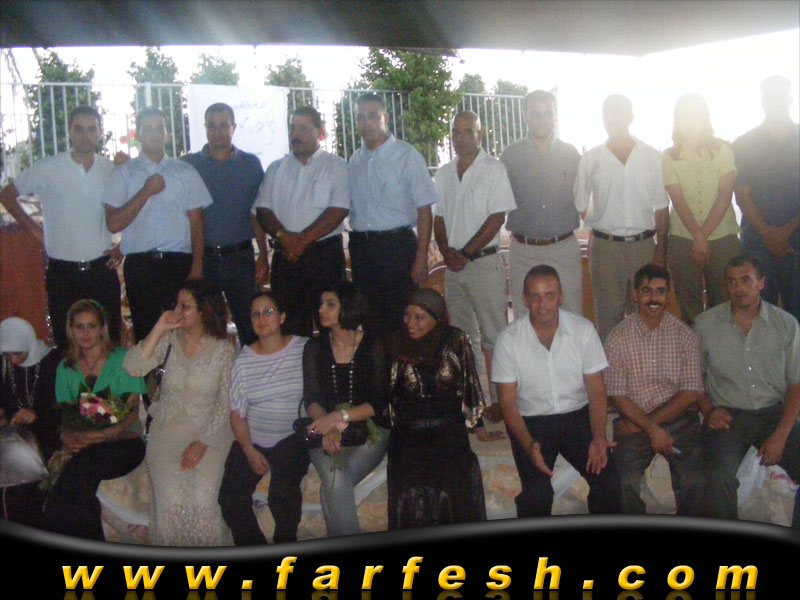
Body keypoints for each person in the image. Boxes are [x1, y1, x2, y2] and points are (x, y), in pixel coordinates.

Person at [492, 265, 621, 517]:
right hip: (531, 423)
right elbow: (507, 403)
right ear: (525, 299)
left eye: (549, 295)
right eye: (535, 296)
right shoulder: (508, 340)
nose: (542, 304)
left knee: (608, 483)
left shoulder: (583, 331)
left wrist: (598, 437)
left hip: (577, 418)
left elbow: (596, 391)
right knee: (536, 495)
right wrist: (528, 445)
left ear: (560, 297)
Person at [0, 106, 123, 349]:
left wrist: (124, 246)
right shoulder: (48, 167)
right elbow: (7, 195)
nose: (85, 135)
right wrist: (35, 231)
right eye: (79, 129)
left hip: (102, 269)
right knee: (67, 346)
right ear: (70, 132)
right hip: (63, 273)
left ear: (100, 133)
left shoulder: (111, 170)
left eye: (91, 129)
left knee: (110, 343)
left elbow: (131, 208)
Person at [123, 279, 235, 546]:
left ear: (203, 311)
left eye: (185, 306)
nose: (177, 311)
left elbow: (226, 403)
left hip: (211, 433)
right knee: (170, 501)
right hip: (167, 431)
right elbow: (133, 367)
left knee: (204, 501)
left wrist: (203, 442)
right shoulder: (168, 342)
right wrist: (159, 328)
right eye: (176, 305)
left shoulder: (224, 350)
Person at [694, 254, 800, 528]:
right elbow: (693, 379)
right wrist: (709, 410)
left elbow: (796, 386)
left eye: (745, 280)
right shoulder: (705, 325)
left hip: (774, 413)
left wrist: (781, 435)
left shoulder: (786, 325)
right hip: (728, 416)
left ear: (761, 283)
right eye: (731, 282)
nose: (738, 288)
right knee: (717, 477)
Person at [104, 106, 213, 342]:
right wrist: (146, 192)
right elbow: (113, 223)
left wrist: (197, 267)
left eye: (159, 128)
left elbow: (197, 223)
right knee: (147, 335)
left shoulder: (185, 172)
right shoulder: (123, 173)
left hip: (178, 263)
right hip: (140, 266)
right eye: (148, 128)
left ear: (167, 134)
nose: (154, 133)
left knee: (183, 334)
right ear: (138, 134)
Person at [433, 110, 515, 424]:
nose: (461, 137)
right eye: (456, 132)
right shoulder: (443, 174)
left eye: (468, 131)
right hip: (454, 268)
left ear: (480, 135)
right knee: (462, 338)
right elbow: (439, 218)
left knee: (495, 336)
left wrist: (465, 253)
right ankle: (474, 405)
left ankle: (502, 402)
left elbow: (497, 217)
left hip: (483, 263)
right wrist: (446, 252)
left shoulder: (494, 169)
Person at [604, 264, 705, 515]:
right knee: (624, 483)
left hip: (678, 420)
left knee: (695, 481)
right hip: (633, 418)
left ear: (668, 295)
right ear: (635, 294)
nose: (653, 298)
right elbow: (617, 394)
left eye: (660, 291)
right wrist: (649, 428)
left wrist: (647, 426)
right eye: (646, 291)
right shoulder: (617, 338)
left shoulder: (685, 335)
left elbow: (690, 392)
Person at [42, 299, 145, 540]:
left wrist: (100, 434)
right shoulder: (66, 367)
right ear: (71, 330)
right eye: (79, 327)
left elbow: (131, 413)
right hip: (86, 444)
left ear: (102, 328)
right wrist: (68, 435)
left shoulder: (123, 359)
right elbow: (65, 414)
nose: (86, 333)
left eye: (91, 326)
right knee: (80, 486)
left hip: (124, 442)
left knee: (78, 472)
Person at [385, 288, 486, 529]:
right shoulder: (396, 343)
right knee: (408, 493)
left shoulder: (455, 339)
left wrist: (478, 424)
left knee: (449, 491)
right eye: (407, 315)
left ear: (437, 319)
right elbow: (389, 396)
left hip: (448, 428)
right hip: (408, 432)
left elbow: (469, 382)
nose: (410, 323)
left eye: (419, 317)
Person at [574, 95, 670, 341]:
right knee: (608, 319)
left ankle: (646, 365)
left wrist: (660, 252)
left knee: (647, 317)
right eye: (608, 113)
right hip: (606, 250)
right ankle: (610, 367)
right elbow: (580, 204)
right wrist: (604, 225)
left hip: (643, 247)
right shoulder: (592, 159)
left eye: (619, 112)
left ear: (630, 117)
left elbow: (661, 207)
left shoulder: (651, 157)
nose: (613, 118)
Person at [218, 291, 310, 544]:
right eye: (255, 314)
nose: (262, 318)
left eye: (268, 311)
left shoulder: (304, 348)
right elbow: (237, 414)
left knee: (282, 496)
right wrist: (249, 450)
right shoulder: (243, 361)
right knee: (230, 499)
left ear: (282, 317)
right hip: (255, 438)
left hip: (292, 437)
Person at [302, 282, 390, 537]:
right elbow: (312, 399)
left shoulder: (373, 345)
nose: (321, 309)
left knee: (333, 482)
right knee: (335, 478)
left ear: (348, 307)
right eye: (321, 304)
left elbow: (379, 403)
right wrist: (327, 427)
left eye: (330, 304)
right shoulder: (314, 347)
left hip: (370, 429)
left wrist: (339, 417)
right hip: (323, 428)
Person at [348, 93, 439, 336]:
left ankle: (401, 362)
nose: (366, 123)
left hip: (397, 248)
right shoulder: (355, 160)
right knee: (369, 319)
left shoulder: (407, 156)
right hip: (362, 249)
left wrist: (421, 255)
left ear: (386, 119)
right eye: (360, 117)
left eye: (373, 116)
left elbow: (424, 210)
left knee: (401, 318)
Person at [254, 106, 349, 337]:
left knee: (331, 326)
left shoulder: (335, 166)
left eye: (303, 128)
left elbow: (338, 209)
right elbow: (263, 210)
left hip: (323, 258)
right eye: (292, 128)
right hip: (286, 259)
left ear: (320, 131)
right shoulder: (276, 168)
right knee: (289, 328)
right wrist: (285, 238)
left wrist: (300, 242)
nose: (296, 134)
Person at [182, 102, 267, 346]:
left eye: (223, 125)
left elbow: (257, 213)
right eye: (212, 125)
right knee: (206, 331)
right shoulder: (189, 165)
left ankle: (251, 370)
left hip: (240, 258)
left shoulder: (250, 164)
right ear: (205, 128)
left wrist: (263, 254)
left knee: (250, 327)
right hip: (203, 260)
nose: (217, 131)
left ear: (234, 128)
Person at [500, 90, 582, 317]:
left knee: (571, 316)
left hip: (563, 248)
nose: (541, 119)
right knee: (524, 318)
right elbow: (499, 204)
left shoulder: (571, 155)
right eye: (535, 114)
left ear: (555, 116)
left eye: (547, 113)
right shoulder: (510, 156)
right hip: (524, 251)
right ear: (525, 116)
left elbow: (583, 198)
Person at [662, 94, 740, 324]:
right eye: (684, 115)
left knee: (724, 306)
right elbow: (677, 200)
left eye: (695, 114)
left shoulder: (723, 150)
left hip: (722, 238)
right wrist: (698, 238)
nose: (690, 120)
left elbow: (725, 196)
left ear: (705, 117)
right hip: (682, 239)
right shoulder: (669, 157)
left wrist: (701, 238)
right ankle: (694, 348)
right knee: (690, 309)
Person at [733, 75, 799, 323]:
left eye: (781, 96)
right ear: (762, 101)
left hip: (797, 242)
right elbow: (742, 195)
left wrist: (786, 231)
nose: (776, 101)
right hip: (758, 245)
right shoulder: (745, 144)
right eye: (771, 96)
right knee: (761, 318)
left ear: (790, 99)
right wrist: (768, 234)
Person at [0, 317, 62, 527]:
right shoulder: (6, 364)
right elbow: (6, 401)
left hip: (47, 433)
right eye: (7, 355)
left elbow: (64, 406)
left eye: (17, 353)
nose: (13, 360)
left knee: (20, 486)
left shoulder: (52, 361)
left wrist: (36, 415)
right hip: (15, 436)